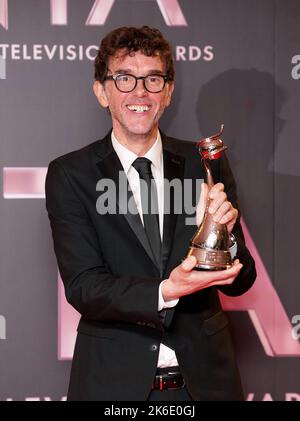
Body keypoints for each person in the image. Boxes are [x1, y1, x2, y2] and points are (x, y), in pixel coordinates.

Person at [45, 26, 256, 401]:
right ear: (101, 91)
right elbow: (84, 286)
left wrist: (226, 234)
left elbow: (241, 279)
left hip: (206, 386)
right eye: (124, 78)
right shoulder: (71, 174)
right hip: (112, 386)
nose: (139, 92)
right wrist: (165, 291)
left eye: (153, 79)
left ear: (168, 91)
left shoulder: (204, 162)